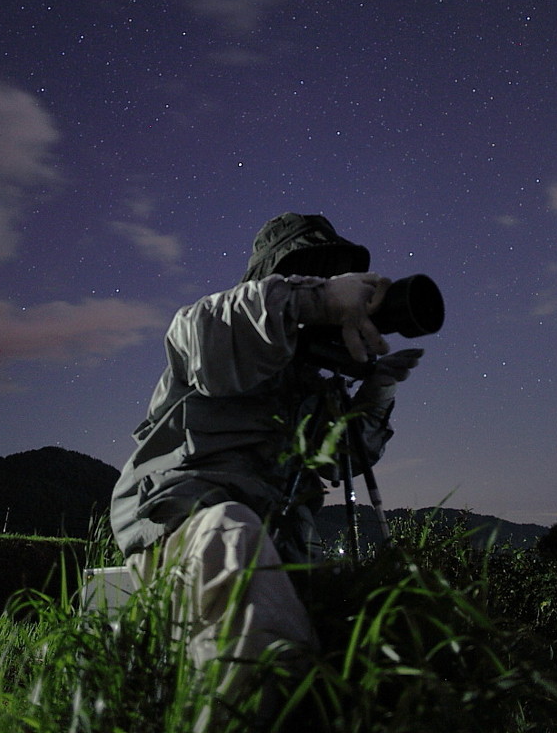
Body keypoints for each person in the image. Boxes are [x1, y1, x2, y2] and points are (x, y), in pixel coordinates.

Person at [110, 212, 422, 726]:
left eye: (331, 276)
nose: (325, 287)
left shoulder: (310, 385)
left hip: (277, 547)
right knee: (233, 537)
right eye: (311, 272)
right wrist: (314, 300)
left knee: (382, 613)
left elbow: (343, 458)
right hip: (187, 523)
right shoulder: (213, 323)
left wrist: (378, 390)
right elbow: (214, 339)